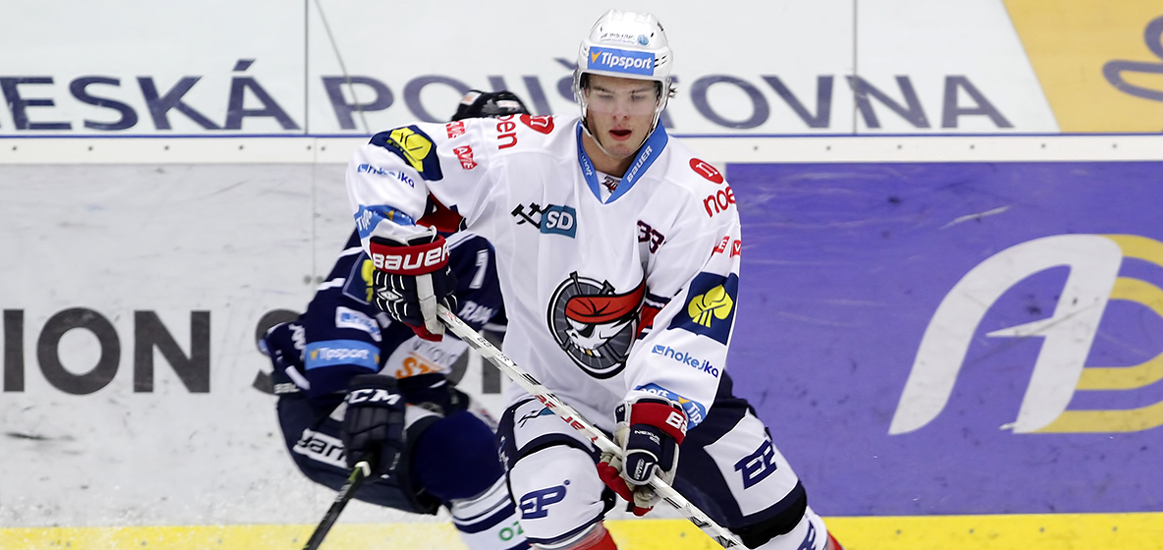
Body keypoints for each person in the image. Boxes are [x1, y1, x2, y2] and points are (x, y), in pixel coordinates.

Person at [344, 10, 843, 550]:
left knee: (780, 528)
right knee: (556, 522)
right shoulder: (520, 152)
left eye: (638, 95)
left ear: (663, 96)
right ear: (581, 90)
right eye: (605, 94)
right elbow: (389, 155)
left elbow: (691, 318)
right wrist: (398, 248)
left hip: (670, 397)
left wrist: (657, 413)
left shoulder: (697, 194)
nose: (621, 112)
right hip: (548, 393)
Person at [259, 91, 532, 550]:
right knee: (468, 452)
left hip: (418, 396)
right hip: (332, 405)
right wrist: (359, 385)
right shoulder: (410, 220)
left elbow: (532, 340)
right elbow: (343, 307)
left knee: (528, 456)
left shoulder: (518, 239)